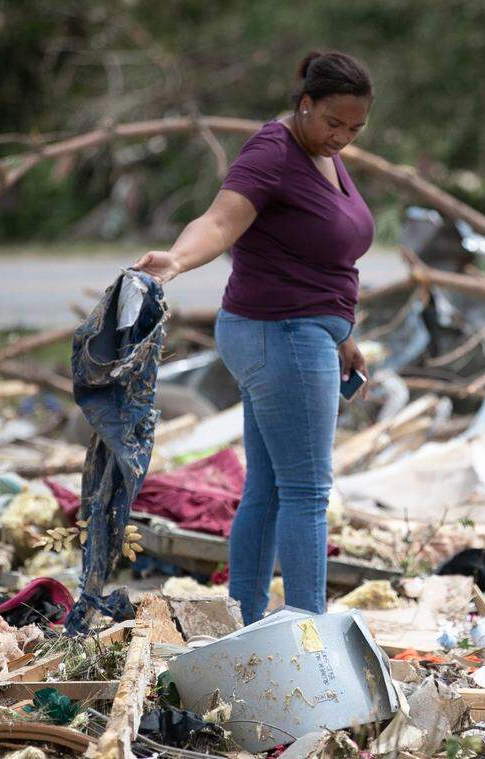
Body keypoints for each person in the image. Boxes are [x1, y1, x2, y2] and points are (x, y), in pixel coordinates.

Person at [134, 51, 374, 624]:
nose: (341, 136)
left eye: (355, 128)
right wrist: (176, 261)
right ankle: (307, 633)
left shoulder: (323, 155)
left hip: (303, 332)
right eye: (333, 122)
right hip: (281, 334)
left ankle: (244, 617)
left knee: (268, 488)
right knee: (308, 492)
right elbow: (220, 220)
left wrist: (342, 336)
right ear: (304, 103)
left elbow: (321, 254)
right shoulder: (272, 152)